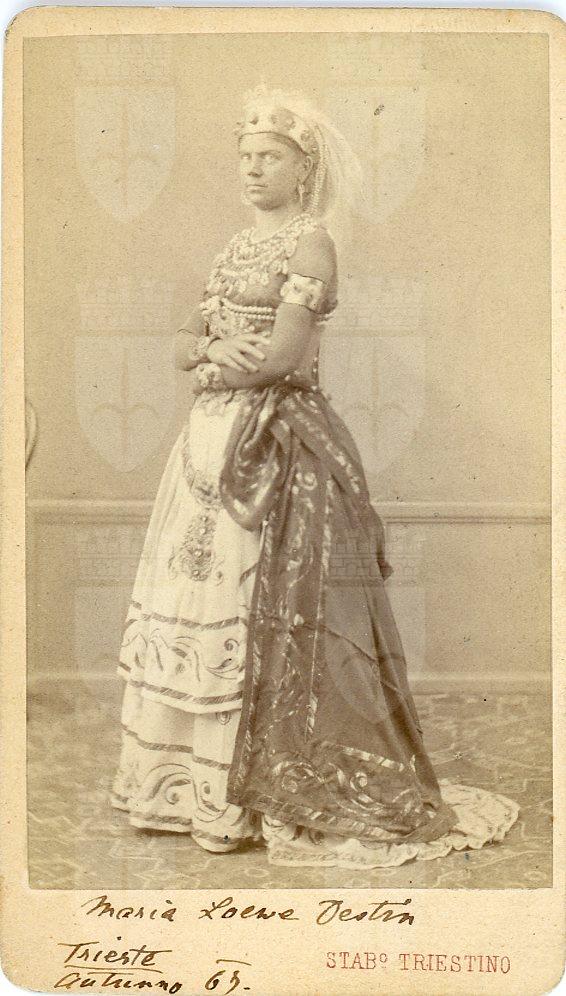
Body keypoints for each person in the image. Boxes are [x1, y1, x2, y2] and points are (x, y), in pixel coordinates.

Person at [110, 86, 519, 868]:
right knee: (197, 593)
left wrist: (212, 360)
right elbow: (181, 342)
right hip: (205, 442)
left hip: (277, 442)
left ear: (304, 169)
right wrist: (209, 350)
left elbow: (284, 357)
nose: (252, 169)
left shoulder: (311, 245)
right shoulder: (235, 246)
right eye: (246, 157)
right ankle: (182, 793)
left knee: (254, 600)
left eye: (269, 157)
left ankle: (248, 796)